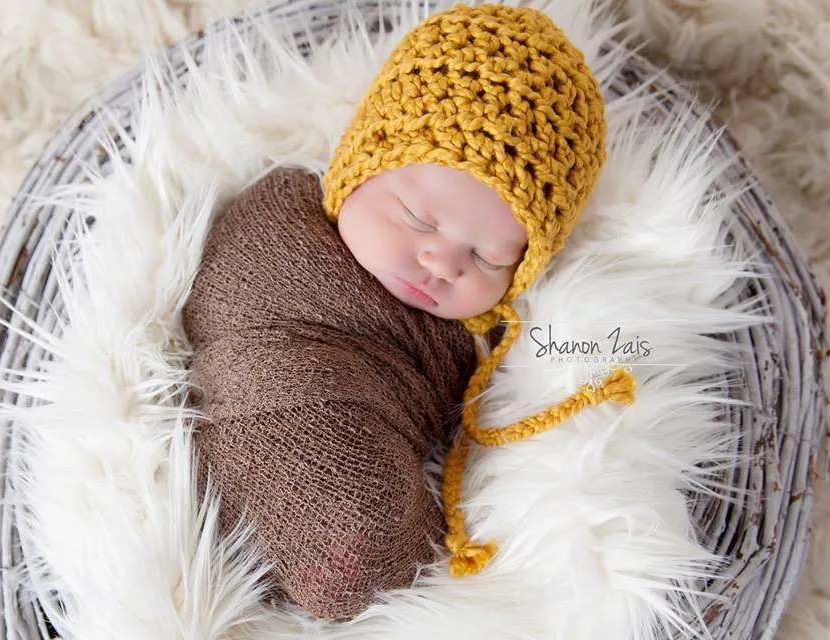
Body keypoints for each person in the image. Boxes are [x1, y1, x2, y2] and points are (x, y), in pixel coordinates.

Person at [182, 2, 635, 621]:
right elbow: (233, 310)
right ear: (357, 167)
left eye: (489, 257)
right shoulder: (277, 226)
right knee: (356, 529)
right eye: (418, 218)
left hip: (365, 501)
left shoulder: (481, 341)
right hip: (267, 401)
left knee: (370, 537)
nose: (443, 262)